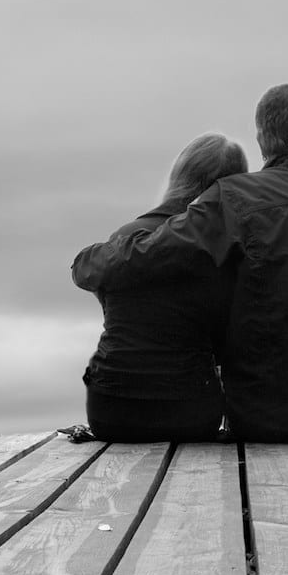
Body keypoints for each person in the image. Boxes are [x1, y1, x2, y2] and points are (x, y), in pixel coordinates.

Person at [72, 84, 288, 443]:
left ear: (264, 140)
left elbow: (148, 255)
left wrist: (88, 261)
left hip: (263, 420)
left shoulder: (236, 199)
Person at [72, 132, 249, 442]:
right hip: (189, 412)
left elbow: (110, 307)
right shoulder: (222, 249)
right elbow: (226, 341)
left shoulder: (126, 236)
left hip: (110, 410)